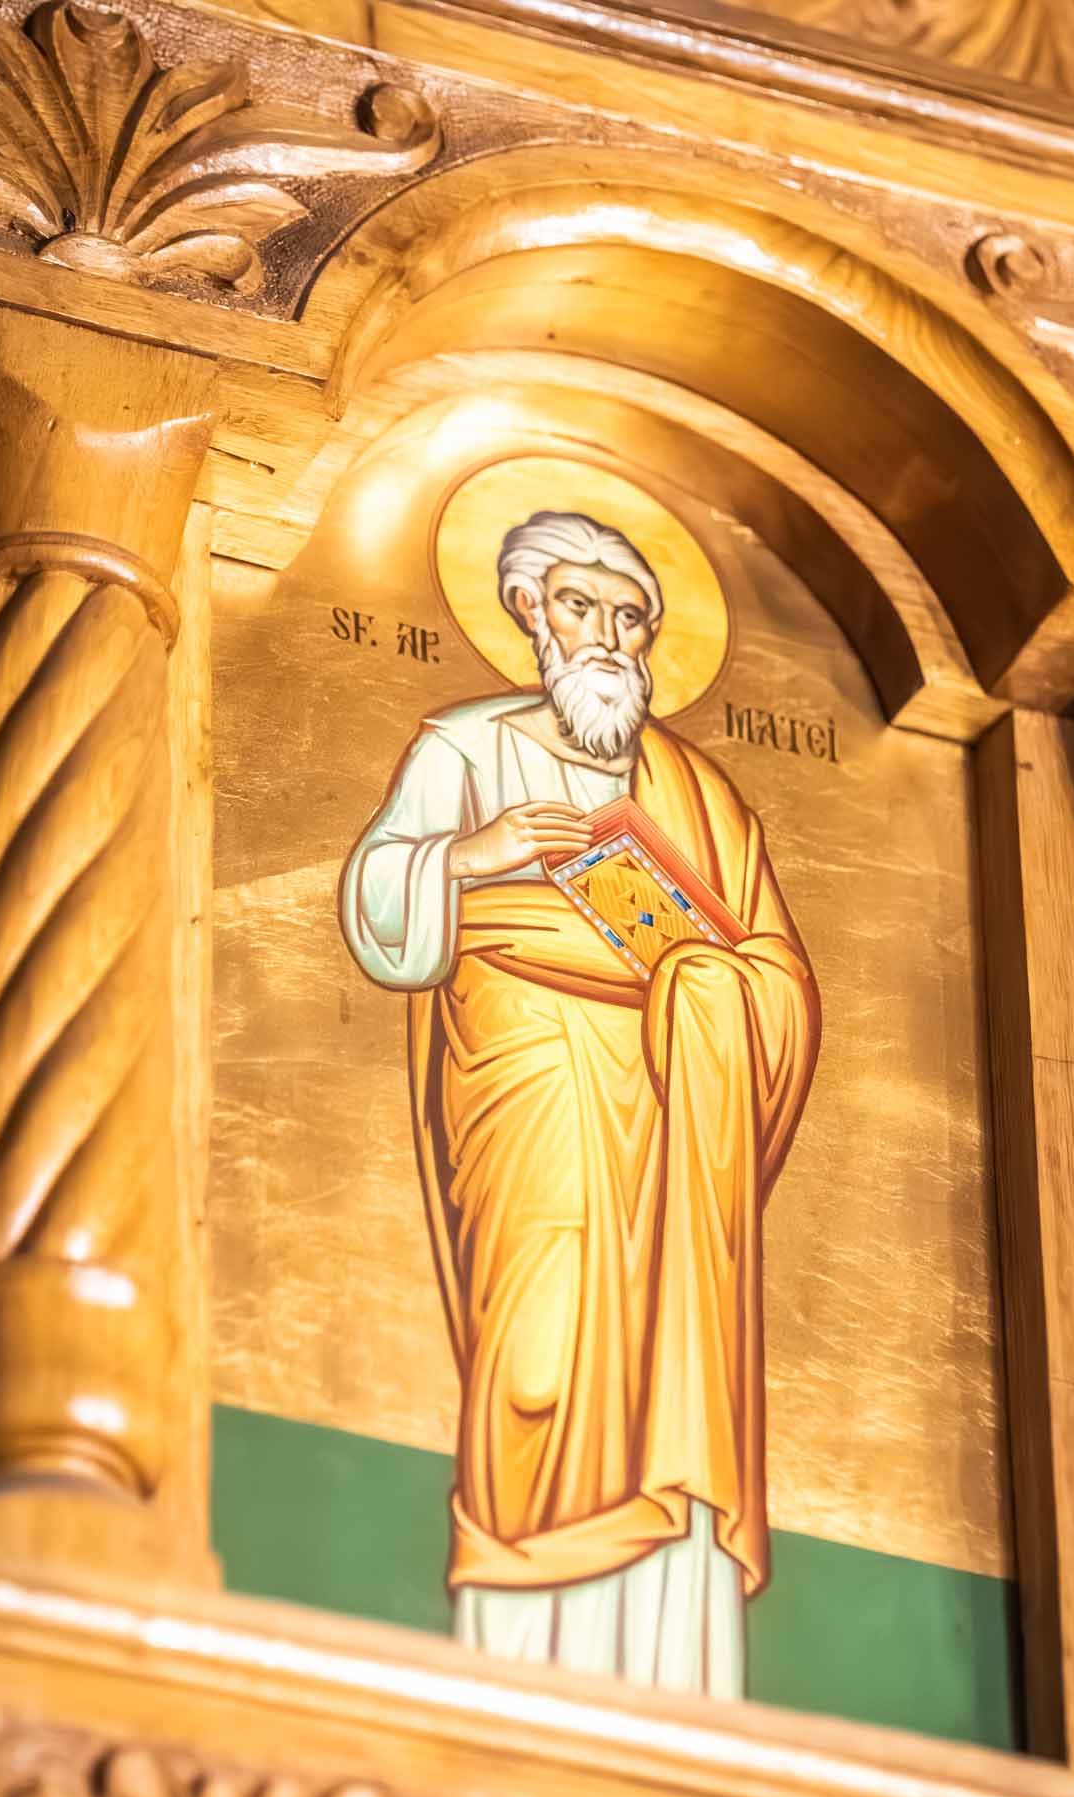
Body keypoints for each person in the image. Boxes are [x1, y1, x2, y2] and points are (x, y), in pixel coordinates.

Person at [341, 509, 819, 1694]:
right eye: (578, 605)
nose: (605, 633)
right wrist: (476, 853)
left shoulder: (702, 794)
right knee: (536, 1354)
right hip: (526, 1086)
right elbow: (378, 901)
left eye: (629, 616)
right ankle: (516, 1654)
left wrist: (708, 988)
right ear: (528, 612)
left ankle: (664, 1655)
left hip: (673, 1106)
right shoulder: (464, 746)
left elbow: (777, 975)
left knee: (667, 1357)